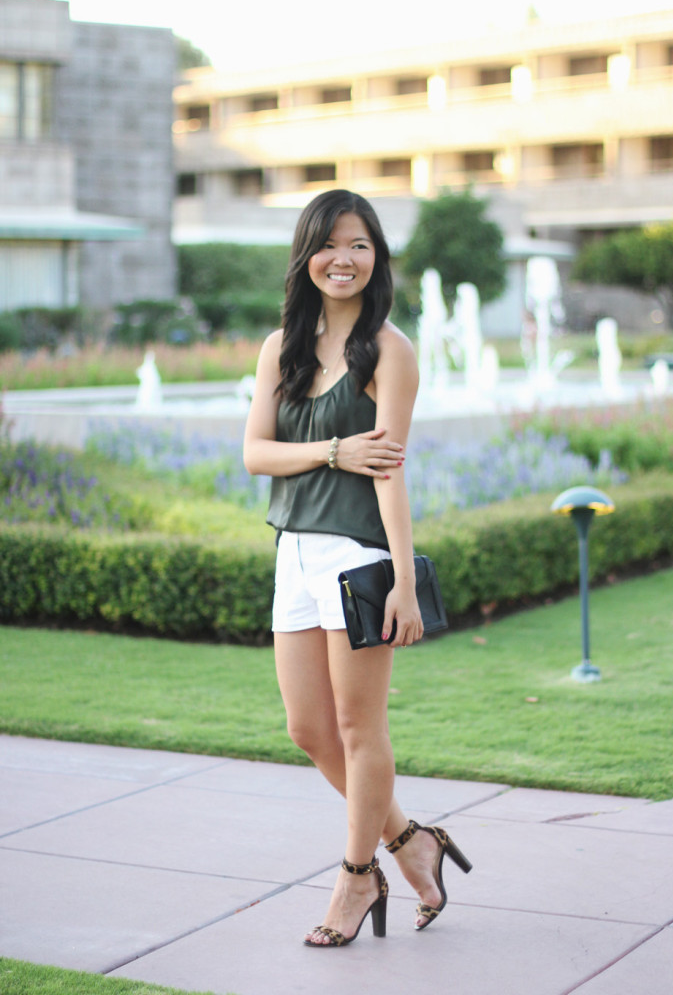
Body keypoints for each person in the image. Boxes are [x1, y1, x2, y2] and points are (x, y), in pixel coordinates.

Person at [244, 189, 472, 948]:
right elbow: (256, 453)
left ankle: (355, 876)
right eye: (329, 244)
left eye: (359, 245)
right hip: (294, 552)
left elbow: (390, 471)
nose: (343, 259)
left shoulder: (389, 351)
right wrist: (335, 450)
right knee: (308, 728)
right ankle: (411, 840)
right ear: (306, 255)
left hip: (357, 558)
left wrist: (404, 580)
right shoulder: (282, 347)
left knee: (358, 726)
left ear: (377, 257)